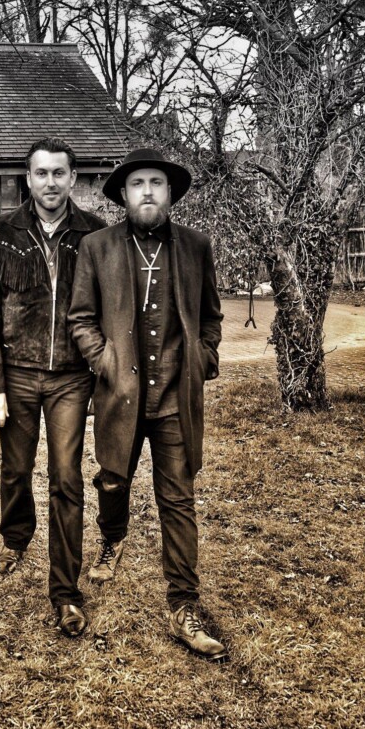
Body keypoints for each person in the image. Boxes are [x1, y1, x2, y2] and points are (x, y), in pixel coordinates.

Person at [68, 148, 227, 660]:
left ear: (170, 191)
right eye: (138, 183)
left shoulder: (196, 247)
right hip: (120, 396)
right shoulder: (97, 247)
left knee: (177, 501)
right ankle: (112, 538)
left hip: (176, 400)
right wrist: (105, 361)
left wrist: (201, 359)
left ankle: (183, 605)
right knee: (112, 479)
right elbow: (81, 319)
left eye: (157, 182)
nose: (148, 191)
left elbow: (210, 318)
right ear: (124, 194)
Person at [0, 138, 105, 637]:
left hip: (72, 377)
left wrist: (103, 376)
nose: (50, 182)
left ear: (73, 178)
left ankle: (65, 592)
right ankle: (16, 535)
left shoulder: (94, 234)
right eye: (41, 173)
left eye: (59, 173)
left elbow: (107, 311)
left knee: (66, 477)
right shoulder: (1, 232)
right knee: (16, 468)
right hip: (17, 374)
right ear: (27, 179)